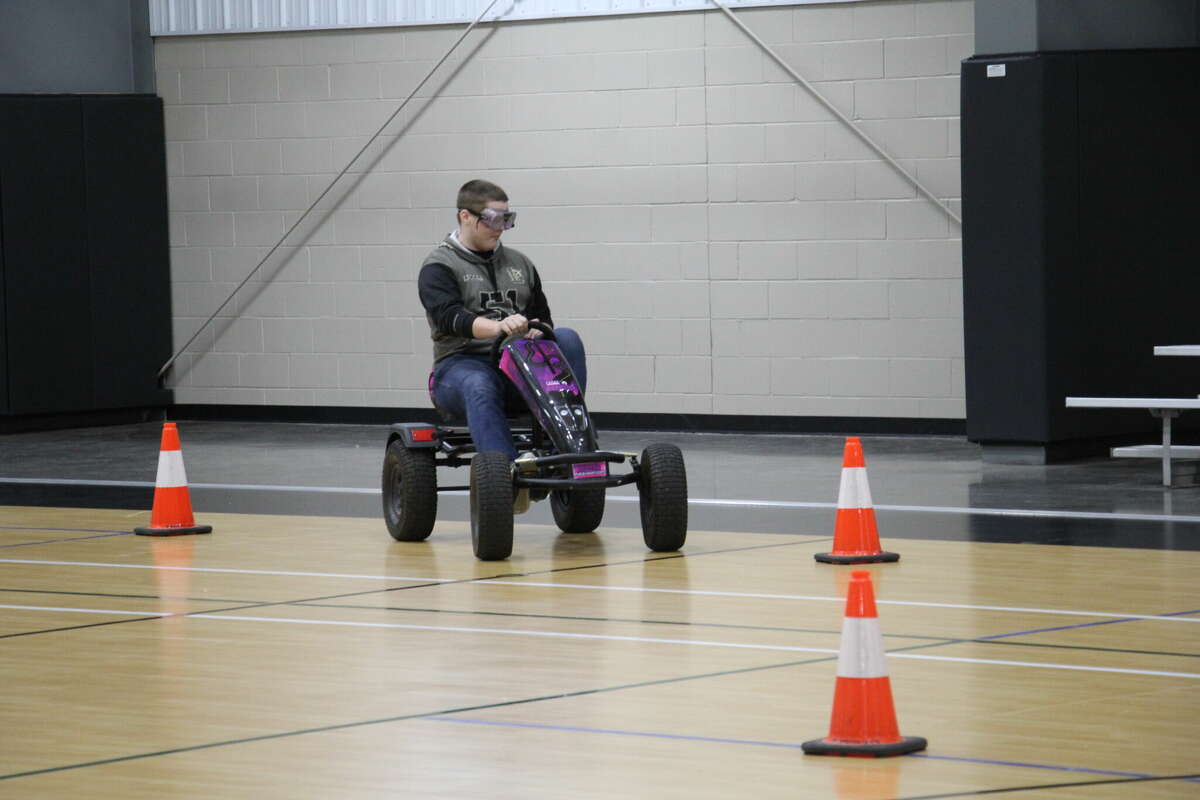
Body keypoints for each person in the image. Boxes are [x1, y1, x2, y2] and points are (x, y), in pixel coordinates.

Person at [418, 179, 587, 461]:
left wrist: (539, 331)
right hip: (461, 367)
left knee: (567, 338)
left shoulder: (520, 264)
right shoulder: (439, 266)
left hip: (518, 365)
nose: (500, 228)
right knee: (478, 383)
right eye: (494, 220)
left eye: (507, 220)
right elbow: (449, 318)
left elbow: (542, 317)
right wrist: (498, 327)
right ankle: (504, 471)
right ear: (466, 217)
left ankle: (568, 450)